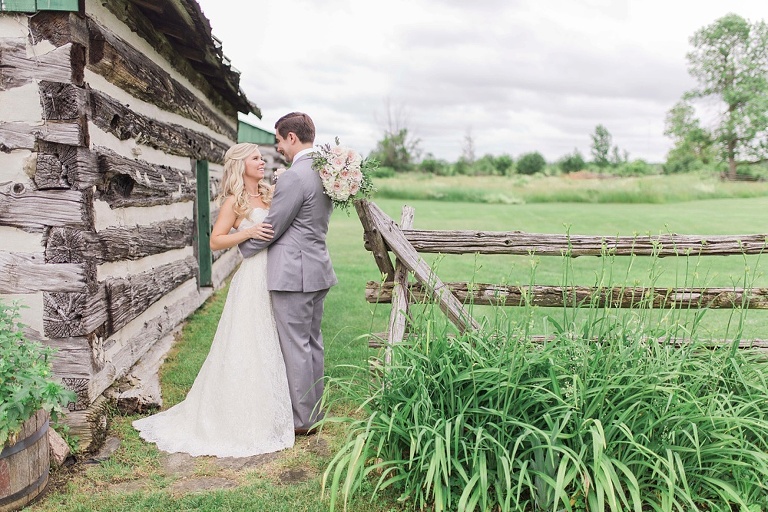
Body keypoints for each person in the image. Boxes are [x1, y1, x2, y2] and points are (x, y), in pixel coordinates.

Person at [132, 143, 294, 457]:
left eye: (263, 157)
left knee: (273, 340)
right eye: (256, 158)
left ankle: (271, 407)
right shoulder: (235, 201)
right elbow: (215, 240)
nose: (263, 161)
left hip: (277, 272)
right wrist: (249, 232)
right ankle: (239, 418)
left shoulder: (271, 193)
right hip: (252, 277)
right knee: (249, 342)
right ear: (240, 164)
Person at [239, 112, 338, 435]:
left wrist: (244, 252)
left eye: (279, 140)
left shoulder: (296, 176)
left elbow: (273, 225)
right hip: (317, 268)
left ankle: (303, 420)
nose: (278, 147)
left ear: (292, 138)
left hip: (293, 274)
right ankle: (315, 411)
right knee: (312, 343)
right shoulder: (326, 171)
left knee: (296, 346)